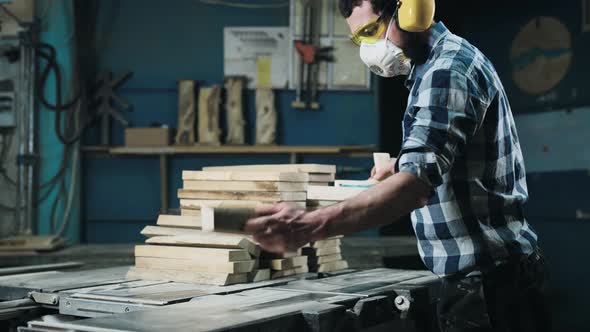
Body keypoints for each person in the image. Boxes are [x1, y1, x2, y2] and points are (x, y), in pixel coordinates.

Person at [244, 1, 550, 331]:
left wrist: (308, 227)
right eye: (359, 39)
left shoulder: (446, 71)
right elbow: (446, 154)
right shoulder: (434, 66)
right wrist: (401, 164)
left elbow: (413, 189)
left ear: (411, 11)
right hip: (491, 278)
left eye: (372, 31)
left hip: (490, 287)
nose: (369, 48)